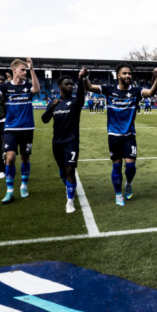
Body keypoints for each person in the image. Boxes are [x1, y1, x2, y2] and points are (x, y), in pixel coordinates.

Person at [79, 63, 157, 206]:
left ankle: (128, 183)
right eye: (124, 73)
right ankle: (118, 194)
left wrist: (156, 78)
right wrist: (86, 77)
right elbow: (88, 87)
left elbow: (151, 93)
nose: (128, 76)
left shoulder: (136, 91)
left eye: (129, 73)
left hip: (129, 135)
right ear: (118, 75)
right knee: (116, 166)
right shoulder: (109, 89)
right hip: (113, 135)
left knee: (130, 167)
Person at [0, 58, 41, 204]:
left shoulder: (28, 86)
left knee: (25, 157)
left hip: (27, 128)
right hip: (10, 128)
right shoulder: (4, 87)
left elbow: (36, 90)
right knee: (10, 157)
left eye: (26, 70)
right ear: (14, 70)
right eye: (22, 69)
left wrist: (32, 69)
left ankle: (23, 186)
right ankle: (9, 190)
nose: (25, 72)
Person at [41, 70, 90, 213]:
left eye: (72, 84)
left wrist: (80, 79)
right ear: (60, 87)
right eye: (67, 84)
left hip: (71, 141)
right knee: (63, 171)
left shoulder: (75, 102)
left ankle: (70, 201)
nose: (71, 86)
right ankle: (69, 187)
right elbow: (44, 120)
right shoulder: (54, 103)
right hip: (57, 142)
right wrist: (51, 107)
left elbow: (81, 95)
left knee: (70, 169)